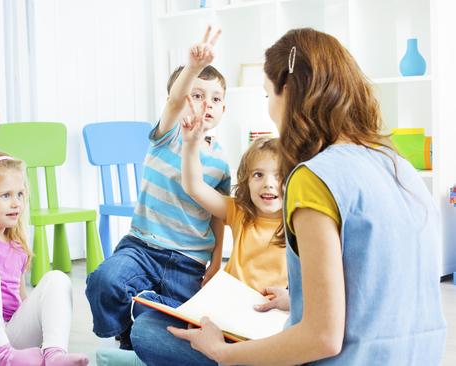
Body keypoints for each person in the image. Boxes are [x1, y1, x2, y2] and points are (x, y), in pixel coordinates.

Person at [163, 28, 446, 365]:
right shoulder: (400, 166)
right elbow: (374, 286)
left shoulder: (313, 178)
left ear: (288, 90)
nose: (269, 109)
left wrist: (223, 353)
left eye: (268, 95)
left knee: (154, 331)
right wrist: (295, 299)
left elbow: (322, 339)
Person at [85, 26, 231, 351]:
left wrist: (217, 262)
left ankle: (146, 307)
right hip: (142, 248)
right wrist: (192, 67)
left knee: (186, 322)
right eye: (197, 95)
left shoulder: (221, 162)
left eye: (216, 99)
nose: (206, 104)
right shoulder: (168, 135)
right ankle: (125, 331)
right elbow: (175, 99)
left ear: (224, 109)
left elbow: (219, 216)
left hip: (188, 263)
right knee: (103, 282)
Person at [130, 98, 288, 365]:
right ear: (246, 181)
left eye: (279, 175)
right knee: (145, 327)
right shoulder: (239, 212)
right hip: (224, 316)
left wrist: (293, 298)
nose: (268, 184)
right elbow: (194, 187)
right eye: (258, 175)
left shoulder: (298, 223)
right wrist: (191, 144)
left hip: (265, 329)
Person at [0, 92, 88, 366]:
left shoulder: (17, 245)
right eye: (5, 196)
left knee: (57, 279)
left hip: (12, 343)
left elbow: (21, 298)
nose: (16, 203)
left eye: (20, 194)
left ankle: (54, 354)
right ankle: (4, 358)